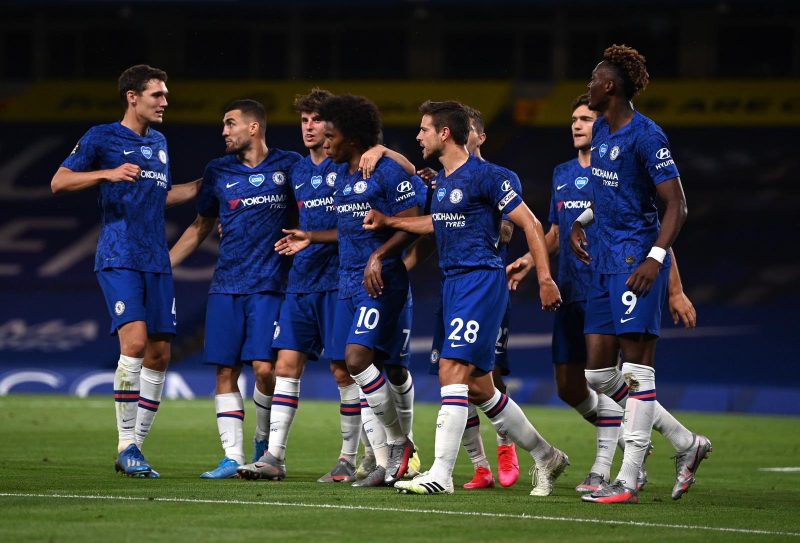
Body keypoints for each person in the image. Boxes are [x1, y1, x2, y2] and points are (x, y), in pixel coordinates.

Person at [365, 100, 567, 496]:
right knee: (479, 388)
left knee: (452, 370)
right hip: (452, 285)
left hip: (480, 281)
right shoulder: (443, 181)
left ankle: (441, 474)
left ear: (444, 133)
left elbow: (530, 223)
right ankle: (547, 455)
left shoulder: (489, 176)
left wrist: (544, 278)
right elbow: (437, 221)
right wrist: (391, 221)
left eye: (424, 129)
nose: (418, 136)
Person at [507, 93, 699, 496]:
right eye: (573, 118)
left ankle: (613, 468)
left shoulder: (635, 145)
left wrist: (675, 288)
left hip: (623, 273)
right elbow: (558, 230)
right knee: (582, 381)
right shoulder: (564, 173)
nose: (577, 124)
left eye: (585, 118)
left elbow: (654, 220)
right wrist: (531, 260)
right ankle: (679, 440)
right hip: (576, 286)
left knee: (628, 371)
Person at [235, 89, 419, 483]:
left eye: (319, 122)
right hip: (308, 281)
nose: (311, 128)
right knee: (289, 365)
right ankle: (274, 455)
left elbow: (412, 196)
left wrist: (383, 150)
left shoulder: (367, 166)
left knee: (353, 367)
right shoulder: (300, 169)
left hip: (351, 281)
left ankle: (362, 456)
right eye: (303, 120)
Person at [569, 45, 711, 504]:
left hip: (635, 261)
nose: (588, 86)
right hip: (603, 262)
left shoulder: (647, 136)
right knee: (598, 374)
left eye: (593, 79)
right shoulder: (603, 130)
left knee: (635, 370)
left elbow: (676, 205)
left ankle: (628, 480)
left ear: (609, 86)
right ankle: (686, 443)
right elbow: (610, 194)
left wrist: (655, 258)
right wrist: (581, 221)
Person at [51, 64, 198, 477]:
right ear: (132, 97)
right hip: (119, 255)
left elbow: (160, 196)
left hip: (156, 258)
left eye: (165, 94)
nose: (165, 101)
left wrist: (207, 184)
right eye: (157, 94)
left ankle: (136, 448)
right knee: (134, 344)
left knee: (160, 354)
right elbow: (59, 182)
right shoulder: (102, 137)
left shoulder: (160, 142)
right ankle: (125, 444)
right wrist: (107, 173)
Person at [169, 99, 301, 478]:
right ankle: (231, 457)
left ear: (253, 127)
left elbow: (313, 207)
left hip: (270, 285)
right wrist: (163, 266)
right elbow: (201, 225)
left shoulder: (289, 165)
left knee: (264, 369)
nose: (224, 131)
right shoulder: (218, 170)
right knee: (225, 370)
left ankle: (263, 440)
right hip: (226, 285)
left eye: (230, 124)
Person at [409, 107, 520, 489]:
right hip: (452, 286)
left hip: (486, 286)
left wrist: (470, 213)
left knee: (488, 375)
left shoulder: (498, 178)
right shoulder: (443, 180)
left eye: (470, 129)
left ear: (478, 137)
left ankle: (507, 445)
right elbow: (435, 229)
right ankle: (480, 466)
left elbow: (508, 232)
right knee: (454, 377)